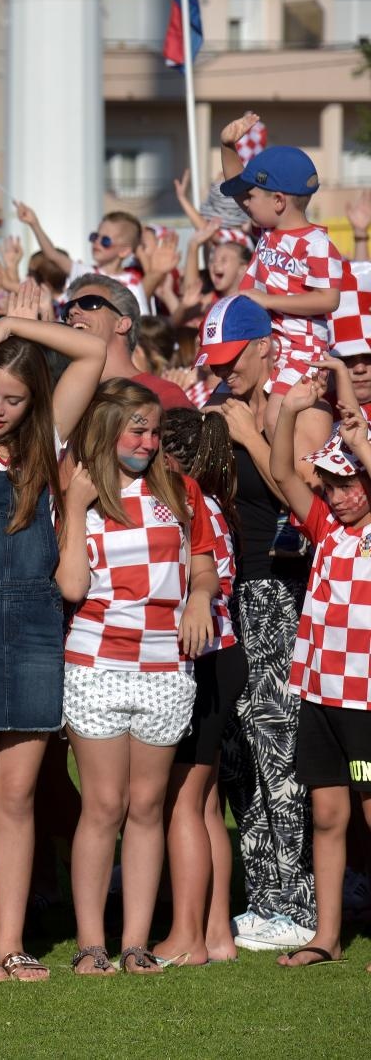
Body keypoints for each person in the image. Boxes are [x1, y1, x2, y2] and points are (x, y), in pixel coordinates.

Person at [0, 299, 106, 982]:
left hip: (36, 630)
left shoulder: (48, 443)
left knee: (17, 799)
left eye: (12, 397)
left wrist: (11, 328)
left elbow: (89, 353)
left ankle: (11, 941)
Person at [58, 379, 219, 976]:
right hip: (97, 664)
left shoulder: (181, 490)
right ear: (107, 430)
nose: (149, 441)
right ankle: (90, 944)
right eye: (137, 429)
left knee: (148, 806)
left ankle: (134, 944)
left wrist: (201, 598)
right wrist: (74, 509)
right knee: (103, 805)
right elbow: (72, 586)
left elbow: (203, 569)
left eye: (154, 430)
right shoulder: (78, 491)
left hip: (166, 666)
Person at [196, 296, 323, 951]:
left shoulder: (291, 411)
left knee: (280, 749)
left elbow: (311, 507)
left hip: (280, 591)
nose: (223, 374)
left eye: (230, 361)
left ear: (263, 347)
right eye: (215, 363)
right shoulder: (222, 403)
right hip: (234, 593)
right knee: (240, 751)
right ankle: (265, 894)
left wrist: (251, 437)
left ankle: (298, 906)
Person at [267, 401, 371, 970]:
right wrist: (286, 412)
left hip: (365, 703)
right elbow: (283, 471)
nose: (338, 498)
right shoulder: (326, 525)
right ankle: (325, 937)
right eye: (330, 486)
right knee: (328, 816)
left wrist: (362, 446)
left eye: (349, 484)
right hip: (320, 698)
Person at [154, 408, 246, 966]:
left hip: (204, 657)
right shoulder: (210, 501)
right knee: (207, 804)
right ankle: (216, 935)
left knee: (183, 802)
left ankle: (188, 937)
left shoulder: (186, 502)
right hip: (222, 655)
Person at [217, 117, 343, 432]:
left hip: (303, 348)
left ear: (278, 201)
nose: (245, 202)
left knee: (275, 418)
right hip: (270, 343)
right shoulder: (269, 229)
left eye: (252, 196)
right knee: (226, 408)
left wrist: (267, 300)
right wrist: (226, 146)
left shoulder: (316, 243)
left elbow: (329, 298)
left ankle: (283, 481)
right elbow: (235, 186)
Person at [65, 273, 193, 412]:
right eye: (67, 309)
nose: (72, 311)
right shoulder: (64, 394)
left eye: (88, 303)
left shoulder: (163, 394)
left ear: (122, 324)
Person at [15, 201, 149, 312]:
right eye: (95, 236)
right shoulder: (84, 271)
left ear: (124, 251)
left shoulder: (132, 284)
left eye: (105, 241)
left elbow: (140, 321)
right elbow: (52, 254)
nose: (97, 243)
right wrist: (34, 224)